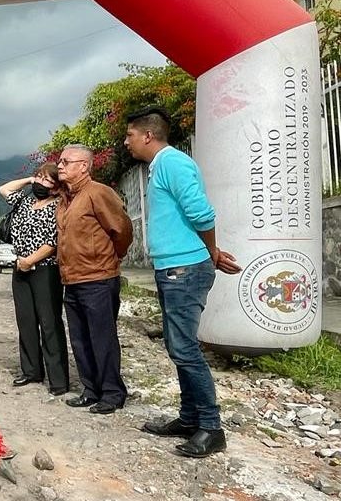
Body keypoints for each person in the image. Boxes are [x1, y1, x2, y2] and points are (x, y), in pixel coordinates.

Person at [124, 107, 241, 458]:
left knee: (185, 348)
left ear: (148, 135)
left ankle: (210, 427)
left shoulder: (173, 163)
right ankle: (190, 418)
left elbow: (202, 212)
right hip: (174, 267)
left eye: (130, 135)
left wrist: (211, 251)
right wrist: (211, 252)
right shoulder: (160, 166)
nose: (126, 142)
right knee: (179, 347)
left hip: (185, 270)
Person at [56, 144, 133, 415]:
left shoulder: (99, 193)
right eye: (60, 161)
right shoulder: (66, 199)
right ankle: (91, 389)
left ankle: (112, 392)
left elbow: (121, 229)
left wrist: (113, 257)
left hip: (98, 277)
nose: (60, 166)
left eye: (67, 161)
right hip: (72, 279)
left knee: (102, 338)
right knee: (80, 339)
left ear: (84, 166)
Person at [0, 163, 70, 396]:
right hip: (20, 268)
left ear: (56, 186)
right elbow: (4, 189)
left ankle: (58, 379)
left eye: (47, 180)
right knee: (25, 321)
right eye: (39, 178)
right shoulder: (24, 202)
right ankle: (31, 371)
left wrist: (31, 260)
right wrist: (31, 179)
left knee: (49, 323)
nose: (41, 182)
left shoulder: (58, 207)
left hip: (45, 269)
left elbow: (53, 241)